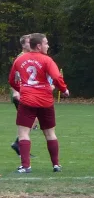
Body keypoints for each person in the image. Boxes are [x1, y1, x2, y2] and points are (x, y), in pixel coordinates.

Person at [8, 33, 70, 173]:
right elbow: (56, 77)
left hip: (27, 101)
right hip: (45, 101)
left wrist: (21, 90)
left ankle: (26, 166)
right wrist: (64, 90)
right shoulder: (47, 60)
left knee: (23, 133)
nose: (48, 45)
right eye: (46, 43)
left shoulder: (19, 60)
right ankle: (56, 165)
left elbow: (12, 80)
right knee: (50, 133)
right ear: (38, 46)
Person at [10, 34, 31, 156]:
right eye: (29, 42)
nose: (31, 44)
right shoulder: (20, 58)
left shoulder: (29, 57)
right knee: (27, 122)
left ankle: (20, 145)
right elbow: (14, 77)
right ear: (23, 45)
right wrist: (15, 91)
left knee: (30, 122)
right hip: (21, 94)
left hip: (28, 94)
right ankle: (19, 145)